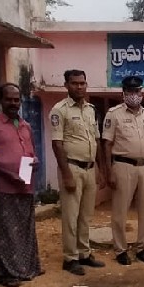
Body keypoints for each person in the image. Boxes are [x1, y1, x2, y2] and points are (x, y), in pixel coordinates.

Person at [0, 83, 42, 287]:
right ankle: (3, 273)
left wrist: (35, 162)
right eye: (9, 99)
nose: (13, 103)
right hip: (4, 187)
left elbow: (30, 152)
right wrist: (7, 174)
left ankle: (27, 267)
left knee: (25, 229)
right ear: (0, 100)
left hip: (25, 185)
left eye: (16, 99)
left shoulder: (25, 126)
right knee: (5, 231)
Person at [102, 74, 144, 265]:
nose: (134, 94)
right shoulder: (114, 114)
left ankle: (142, 247)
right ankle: (121, 249)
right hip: (123, 166)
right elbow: (107, 144)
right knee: (120, 210)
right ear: (124, 92)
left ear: (141, 92)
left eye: (137, 91)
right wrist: (109, 171)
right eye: (130, 91)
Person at [49, 69, 105, 276]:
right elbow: (57, 144)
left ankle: (84, 253)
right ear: (66, 85)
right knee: (71, 217)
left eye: (82, 83)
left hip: (90, 168)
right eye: (74, 83)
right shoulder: (59, 110)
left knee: (86, 215)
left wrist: (99, 169)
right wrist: (66, 175)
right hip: (71, 168)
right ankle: (70, 258)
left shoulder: (91, 110)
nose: (79, 87)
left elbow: (96, 140)